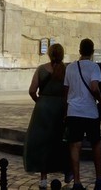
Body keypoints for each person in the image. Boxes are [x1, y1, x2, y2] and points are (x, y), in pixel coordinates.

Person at [64, 38, 101, 190]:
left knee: (75, 145)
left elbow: (66, 91)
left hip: (73, 111)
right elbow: (94, 87)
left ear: (80, 50)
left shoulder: (70, 67)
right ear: (92, 51)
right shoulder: (94, 67)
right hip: (90, 112)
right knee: (96, 143)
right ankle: (99, 179)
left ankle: (77, 182)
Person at [24, 42, 67, 190]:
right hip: (62, 107)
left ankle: (43, 178)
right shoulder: (67, 70)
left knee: (42, 142)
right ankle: (68, 172)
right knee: (62, 141)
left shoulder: (41, 69)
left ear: (49, 54)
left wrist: (40, 101)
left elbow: (31, 90)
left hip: (43, 108)